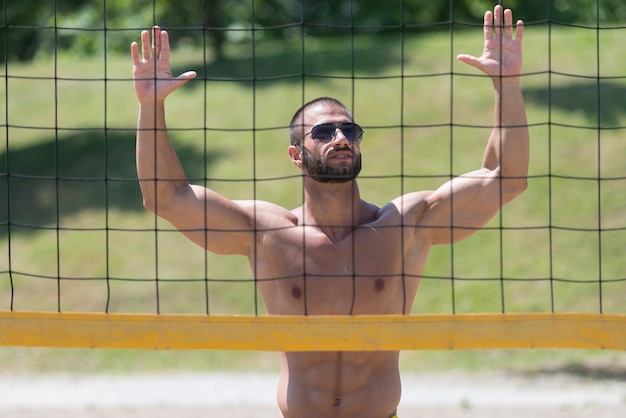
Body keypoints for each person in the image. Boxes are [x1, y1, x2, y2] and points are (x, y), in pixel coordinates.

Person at [131, 5, 528, 418]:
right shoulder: (266, 233)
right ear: (296, 155)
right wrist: (150, 105)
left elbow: (506, 179)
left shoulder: (405, 224)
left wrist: (507, 84)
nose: (340, 137)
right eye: (323, 132)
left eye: (349, 130)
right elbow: (166, 197)